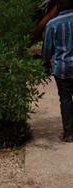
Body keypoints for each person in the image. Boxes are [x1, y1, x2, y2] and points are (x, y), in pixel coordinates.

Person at [42, 0, 73, 142]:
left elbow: (47, 49)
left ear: (59, 7)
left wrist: (46, 64)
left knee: (65, 99)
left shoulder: (52, 24)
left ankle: (69, 134)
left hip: (63, 68)